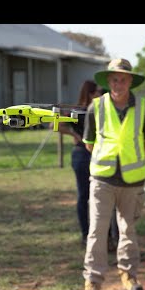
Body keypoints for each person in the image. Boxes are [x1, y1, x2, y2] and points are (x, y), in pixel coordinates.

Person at [82, 58, 145, 290]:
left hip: (132, 181)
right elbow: (89, 144)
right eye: (114, 79)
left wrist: (128, 162)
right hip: (103, 179)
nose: (118, 83)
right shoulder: (96, 107)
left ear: (130, 81)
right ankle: (93, 281)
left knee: (128, 230)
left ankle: (129, 276)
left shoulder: (144, 108)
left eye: (123, 79)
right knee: (97, 231)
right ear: (108, 81)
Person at [56, 80, 102, 247]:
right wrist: (74, 135)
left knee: (98, 196)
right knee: (84, 196)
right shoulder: (79, 111)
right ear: (90, 93)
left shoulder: (100, 110)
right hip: (82, 154)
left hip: (97, 154)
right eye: (97, 91)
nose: (100, 94)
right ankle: (86, 233)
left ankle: (99, 234)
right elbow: (56, 124)